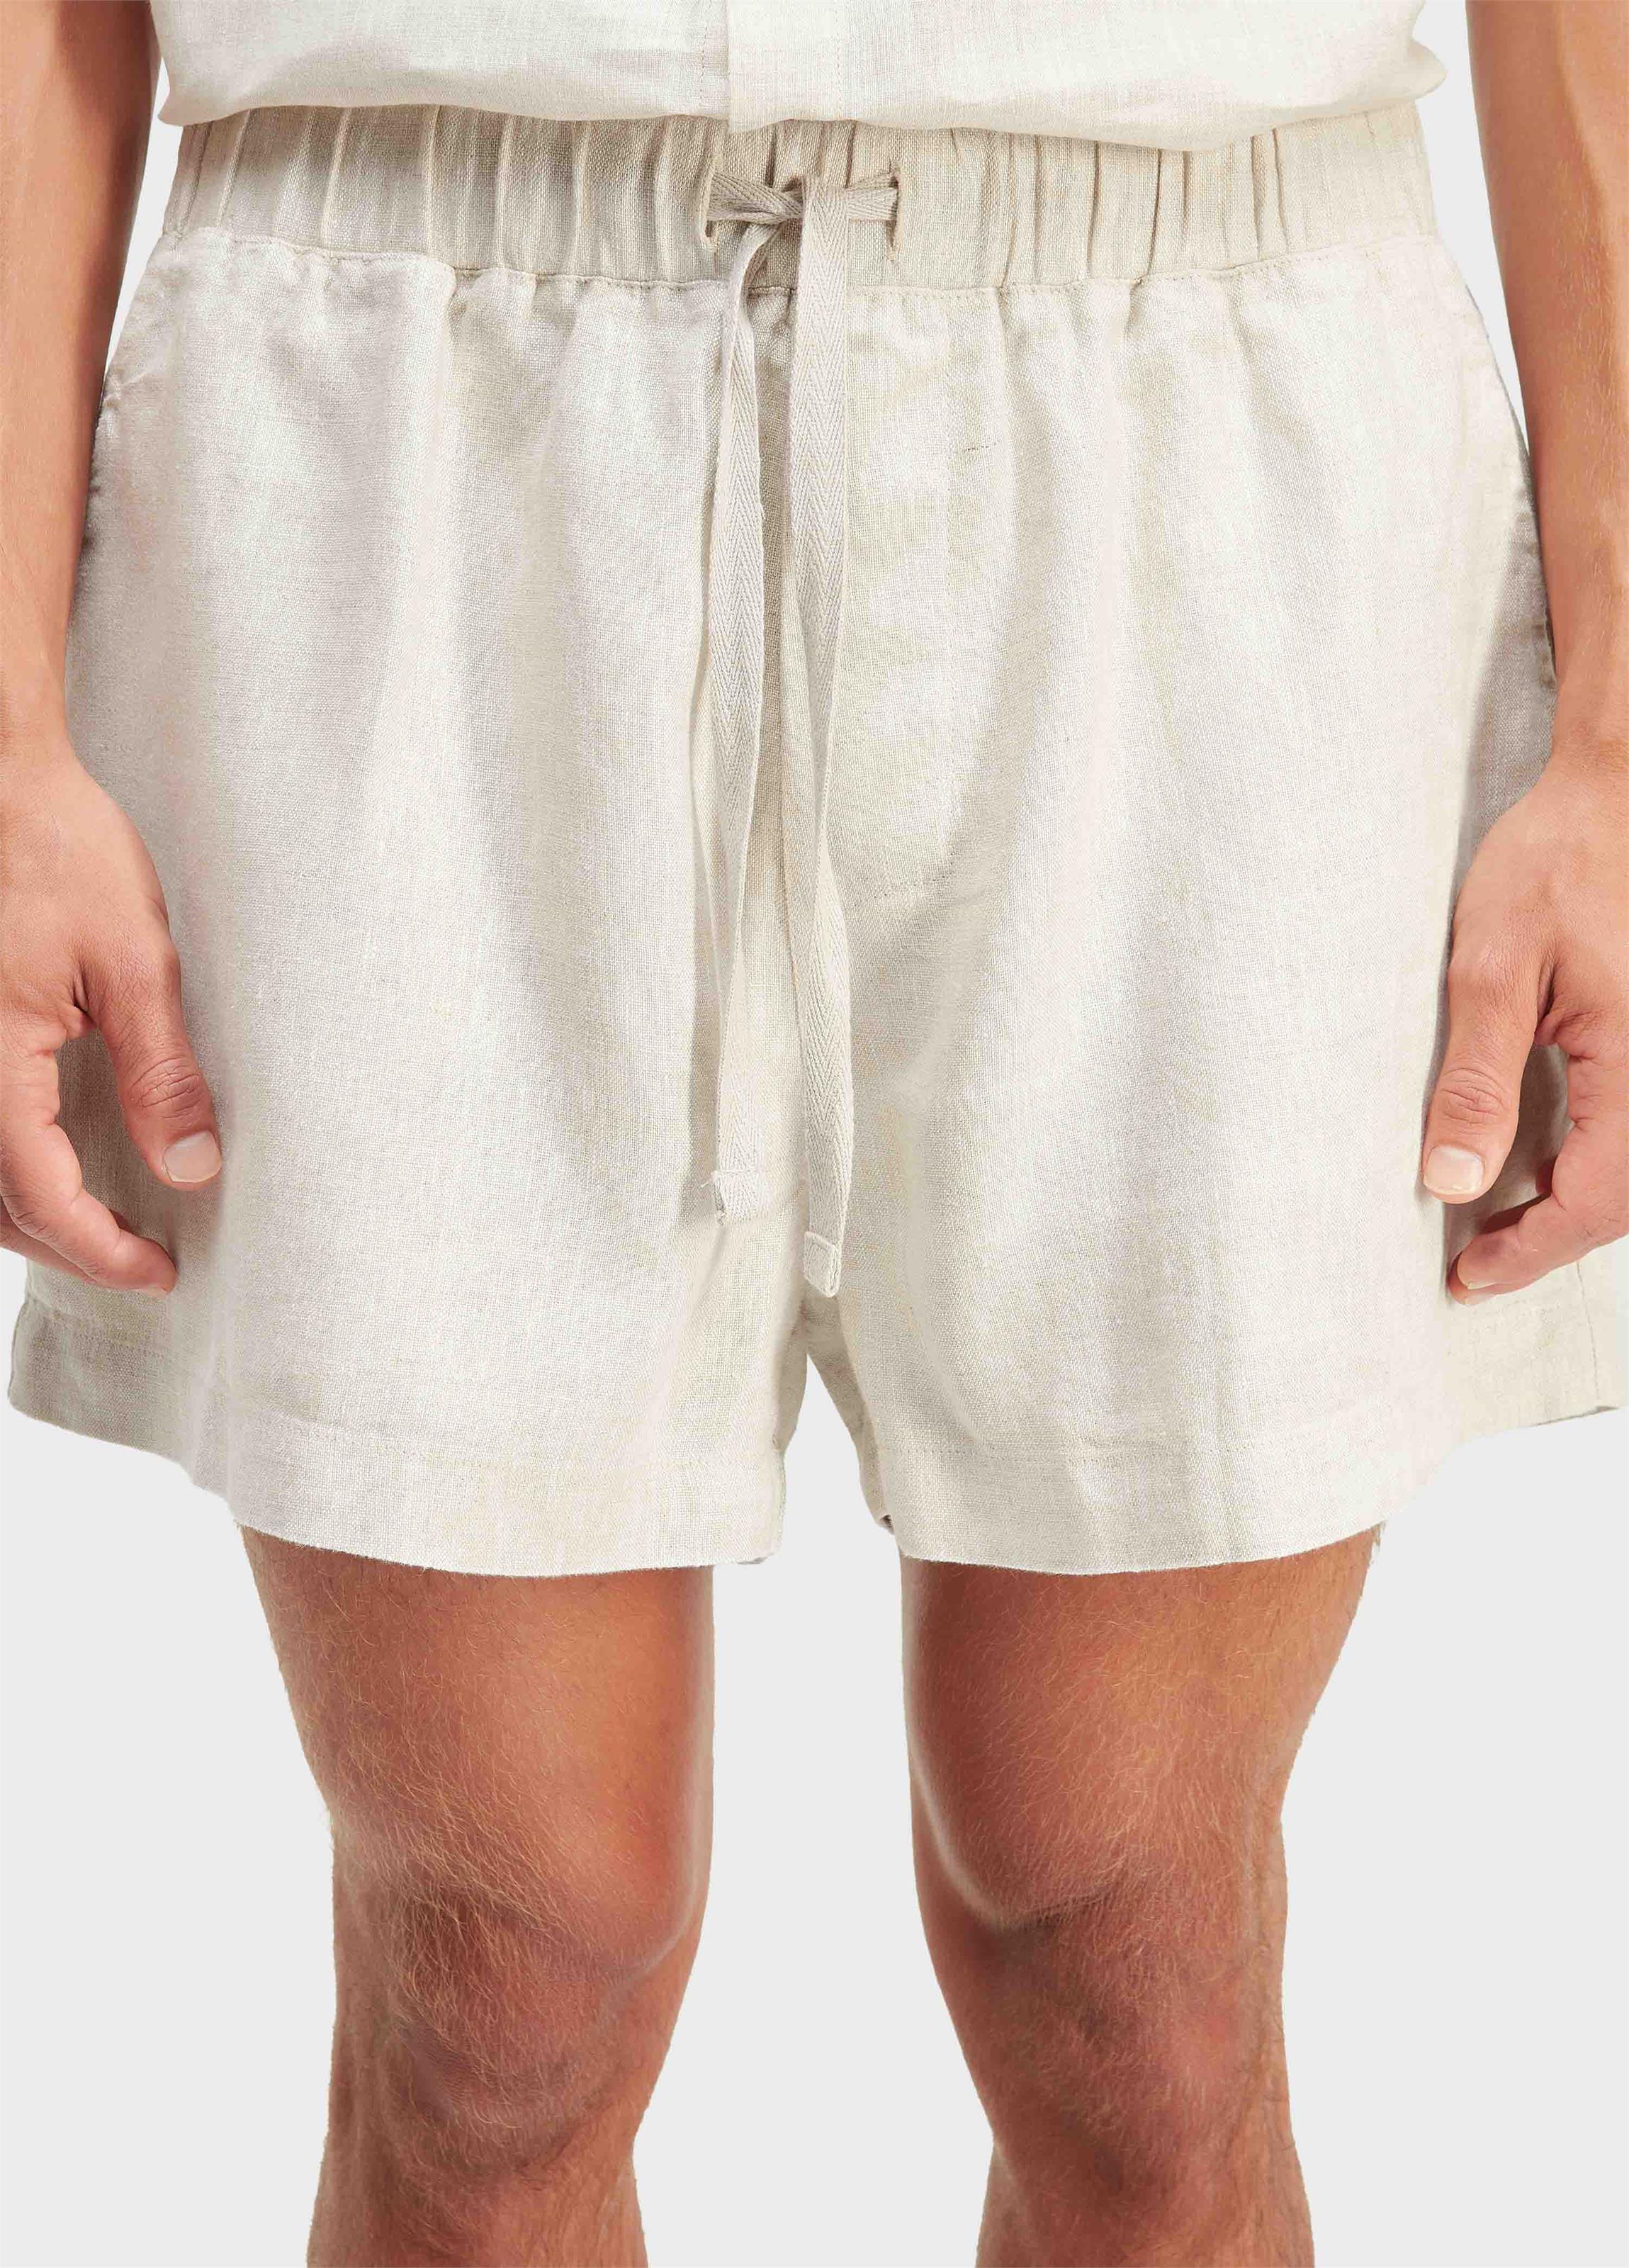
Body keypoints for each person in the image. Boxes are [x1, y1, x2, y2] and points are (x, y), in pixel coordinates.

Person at [1, 1, 1623, 2261]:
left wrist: (1619, 737)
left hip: (1197, 382)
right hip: (399, 395)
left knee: (1134, 1974)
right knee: (501, 1988)